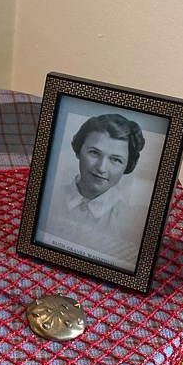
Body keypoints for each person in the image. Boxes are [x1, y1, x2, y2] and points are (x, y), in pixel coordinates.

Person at [38, 113, 146, 269]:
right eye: (94, 153)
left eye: (116, 160)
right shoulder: (46, 199)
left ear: (127, 166)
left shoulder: (132, 225)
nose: (101, 168)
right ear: (78, 151)